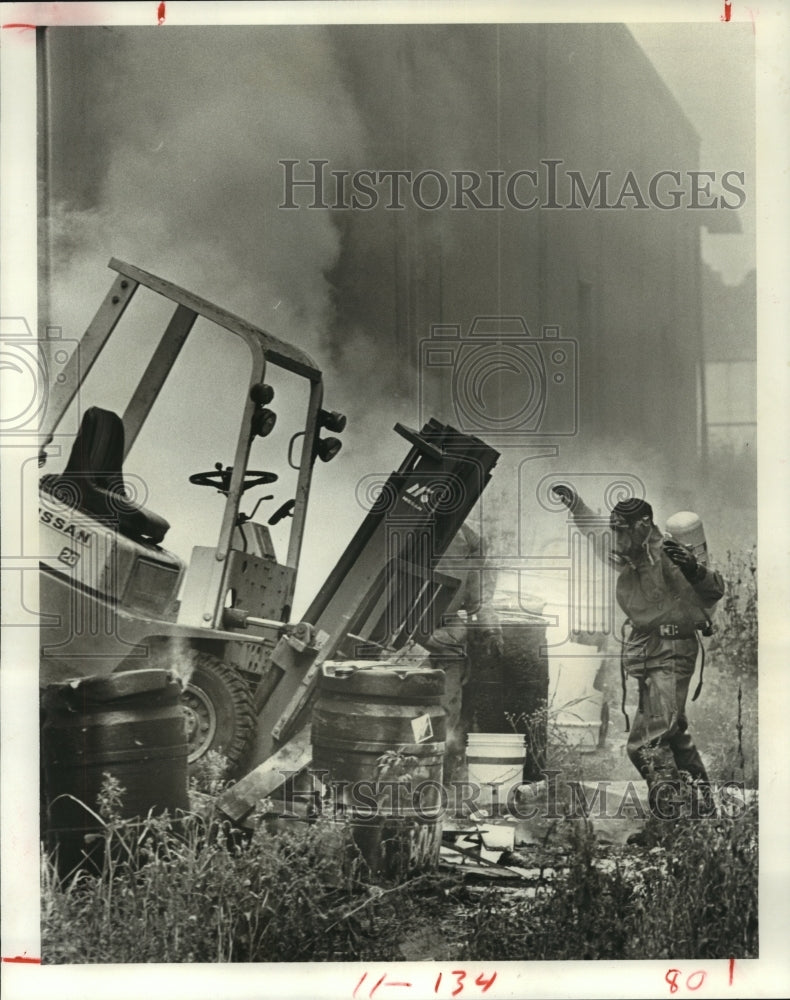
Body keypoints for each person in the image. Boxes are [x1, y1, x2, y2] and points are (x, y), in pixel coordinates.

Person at [552, 486, 724, 826]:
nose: (614, 535)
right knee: (674, 736)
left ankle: (670, 823)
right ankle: (703, 814)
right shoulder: (630, 552)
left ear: (643, 526)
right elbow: (595, 535)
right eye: (614, 527)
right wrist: (578, 505)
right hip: (650, 653)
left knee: (646, 742)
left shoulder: (669, 555)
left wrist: (694, 570)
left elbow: (714, 589)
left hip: (672, 653)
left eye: (620, 528)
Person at [424, 522, 504, 787]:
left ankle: (437, 778)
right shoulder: (414, 530)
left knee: (446, 711)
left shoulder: (471, 542)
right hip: (407, 636)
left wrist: (491, 630)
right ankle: (413, 775)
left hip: (447, 639)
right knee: (413, 709)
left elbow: (479, 600)